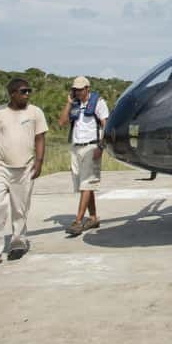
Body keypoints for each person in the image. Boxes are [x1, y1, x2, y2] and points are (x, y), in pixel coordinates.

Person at [0, 78, 47, 271]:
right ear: (12, 93)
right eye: (23, 91)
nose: (27, 94)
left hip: (25, 167)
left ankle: (18, 243)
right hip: (0, 167)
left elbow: (40, 138)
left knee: (19, 209)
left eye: (29, 91)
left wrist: (39, 162)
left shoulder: (35, 112)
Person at [58, 76, 109, 236]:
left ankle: (78, 221)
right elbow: (62, 122)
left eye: (80, 89)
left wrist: (101, 146)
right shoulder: (74, 105)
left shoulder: (99, 103)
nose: (78, 92)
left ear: (88, 88)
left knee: (86, 184)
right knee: (85, 184)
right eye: (75, 89)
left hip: (91, 146)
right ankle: (93, 217)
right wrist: (68, 102)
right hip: (76, 147)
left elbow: (105, 125)